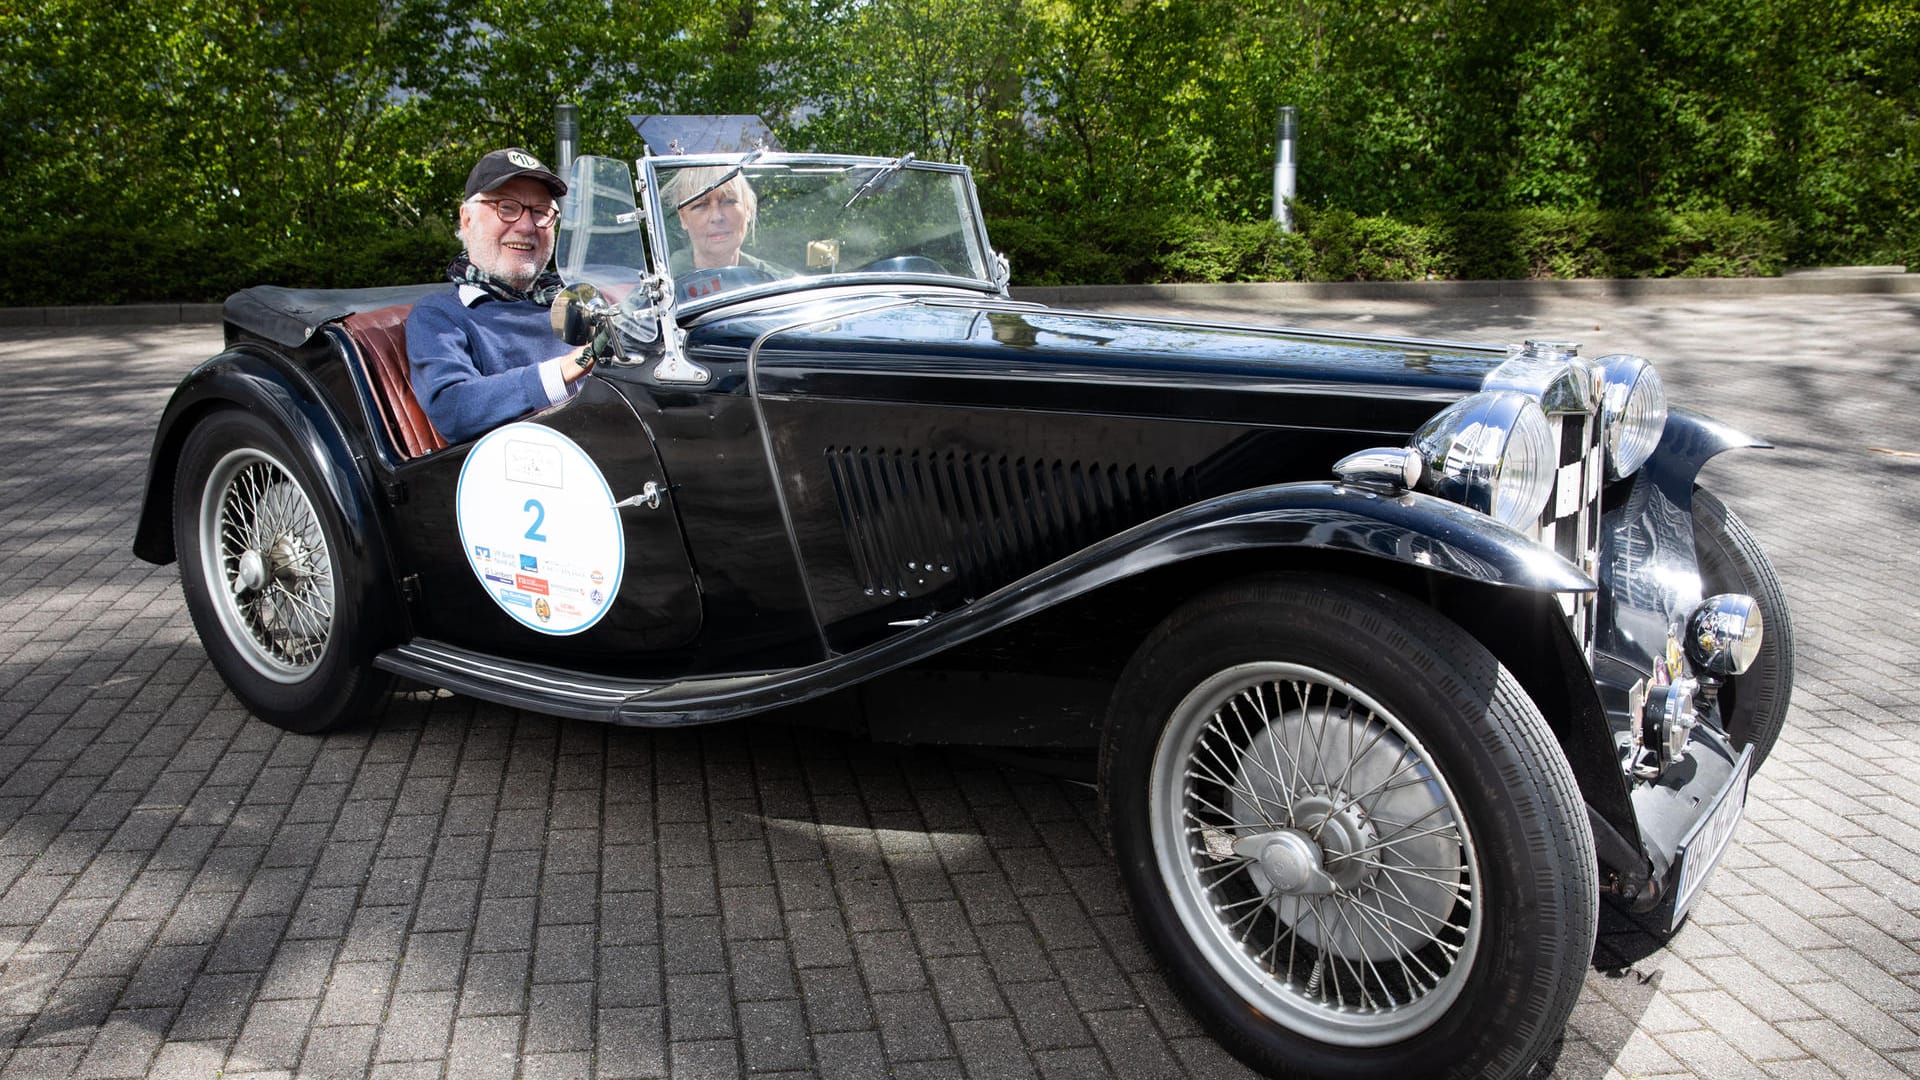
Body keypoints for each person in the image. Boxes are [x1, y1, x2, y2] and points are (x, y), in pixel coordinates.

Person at [407, 148, 596, 444]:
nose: (526, 226)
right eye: (506, 207)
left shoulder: (572, 299)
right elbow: (452, 408)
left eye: (540, 212)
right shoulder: (441, 314)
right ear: (467, 220)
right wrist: (568, 368)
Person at [664, 166, 789, 276]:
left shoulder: (779, 284)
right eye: (701, 205)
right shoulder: (661, 292)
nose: (717, 217)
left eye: (729, 201)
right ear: (683, 218)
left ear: (748, 208)